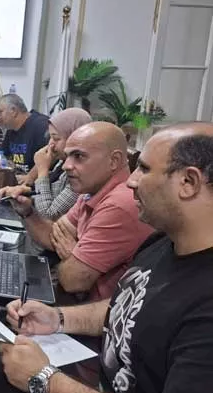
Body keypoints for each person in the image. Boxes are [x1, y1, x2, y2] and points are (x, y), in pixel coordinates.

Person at [0, 123, 213, 393]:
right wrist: (58, 318)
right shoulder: (164, 242)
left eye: (143, 169)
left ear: (189, 182)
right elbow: (129, 307)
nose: (131, 181)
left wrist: (46, 379)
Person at [10, 122, 153, 301]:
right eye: (68, 156)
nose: (66, 166)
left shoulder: (119, 204)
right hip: (77, 298)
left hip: (87, 308)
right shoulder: (91, 191)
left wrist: (73, 255)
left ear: (114, 161)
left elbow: (73, 281)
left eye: (78, 156)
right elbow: (53, 236)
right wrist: (27, 212)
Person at [0, 108, 92, 220]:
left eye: (56, 138)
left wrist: (42, 170)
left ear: (75, 139)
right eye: (50, 138)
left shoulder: (83, 174)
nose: (50, 144)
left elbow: (48, 214)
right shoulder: (61, 162)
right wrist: (26, 192)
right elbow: (52, 194)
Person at [0, 94, 49, 174]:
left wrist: (29, 177)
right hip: (16, 177)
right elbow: (1, 155)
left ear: (13, 111)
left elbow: (50, 157)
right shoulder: (11, 128)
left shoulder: (41, 125)